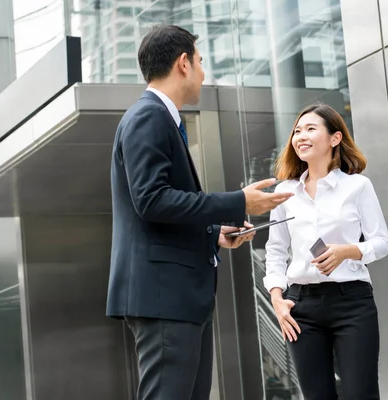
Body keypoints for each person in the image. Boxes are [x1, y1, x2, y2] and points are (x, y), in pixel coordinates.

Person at [106, 25, 293, 400]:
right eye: (201, 61)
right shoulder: (150, 117)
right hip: (165, 297)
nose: (205, 73)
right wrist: (238, 201)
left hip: (175, 297)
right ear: (183, 63)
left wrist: (213, 233)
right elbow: (152, 200)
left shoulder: (159, 118)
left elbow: (158, 209)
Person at [263, 104, 388, 400]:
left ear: (335, 139)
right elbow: (275, 251)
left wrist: (348, 251)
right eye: (297, 131)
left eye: (310, 129)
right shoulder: (285, 193)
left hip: (352, 304)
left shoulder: (357, 186)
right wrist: (277, 299)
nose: (301, 136)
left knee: (362, 394)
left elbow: (382, 242)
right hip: (300, 308)